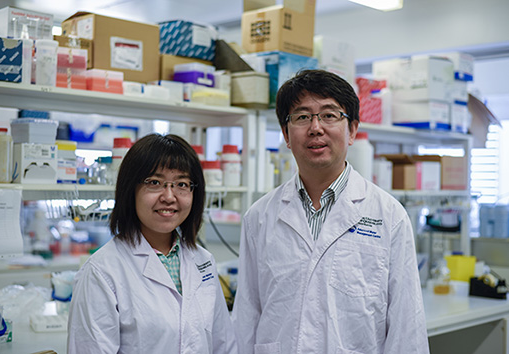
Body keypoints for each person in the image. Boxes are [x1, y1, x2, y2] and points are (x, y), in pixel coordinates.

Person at [233, 70, 429, 354]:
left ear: (351, 130)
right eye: (302, 117)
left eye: (329, 115)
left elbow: (406, 326)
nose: (315, 128)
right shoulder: (259, 216)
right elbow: (246, 316)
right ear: (286, 135)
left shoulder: (388, 215)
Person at [68, 133, 237, 354]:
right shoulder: (102, 272)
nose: (169, 196)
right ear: (131, 190)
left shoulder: (203, 262)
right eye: (155, 182)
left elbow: (224, 345)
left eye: (182, 184)